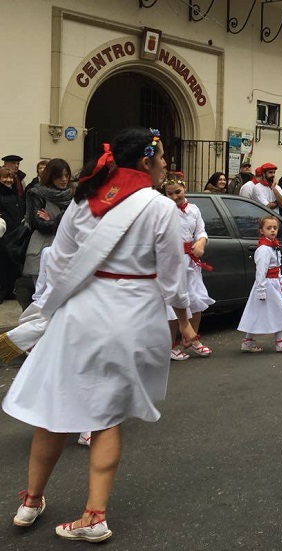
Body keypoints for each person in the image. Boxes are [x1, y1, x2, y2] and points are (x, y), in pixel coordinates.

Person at [1, 127, 196, 543]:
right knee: (106, 416)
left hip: (80, 314)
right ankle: (94, 515)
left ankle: (31, 500)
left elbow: (59, 260)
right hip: (132, 315)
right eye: (161, 158)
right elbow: (173, 278)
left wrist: (49, 305)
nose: (164, 165)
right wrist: (183, 319)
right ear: (145, 161)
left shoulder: (84, 198)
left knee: (56, 408)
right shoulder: (161, 208)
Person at [162, 176, 215, 361]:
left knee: (197, 300)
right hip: (172, 261)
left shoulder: (194, 209)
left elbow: (201, 230)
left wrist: (201, 242)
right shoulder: (164, 210)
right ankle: (172, 345)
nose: (175, 197)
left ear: (184, 188)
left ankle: (188, 338)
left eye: (178, 192)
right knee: (175, 303)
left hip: (191, 261)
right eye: (170, 194)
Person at [20, 158, 74, 309]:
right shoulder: (37, 193)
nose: (64, 179)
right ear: (51, 175)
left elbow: (78, 223)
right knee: (41, 298)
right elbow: (38, 223)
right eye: (59, 176)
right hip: (41, 246)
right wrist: (60, 221)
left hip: (67, 246)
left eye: (66, 175)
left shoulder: (74, 193)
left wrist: (53, 219)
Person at [237, 216, 282, 353]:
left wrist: (281, 283)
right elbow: (261, 271)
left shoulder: (274, 247)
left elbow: (278, 267)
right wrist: (261, 289)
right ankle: (279, 342)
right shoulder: (264, 249)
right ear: (261, 231)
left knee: (258, 311)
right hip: (267, 284)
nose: (272, 230)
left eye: (275, 228)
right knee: (278, 311)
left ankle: (248, 341)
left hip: (273, 283)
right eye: (268, 228)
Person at [0, 166, 27, 300]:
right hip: (3, 234)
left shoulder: (16, 194)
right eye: (5, 177)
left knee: (12, 265)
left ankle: (9, 290)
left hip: (16, 234)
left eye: (11, 177)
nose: (8, 180)